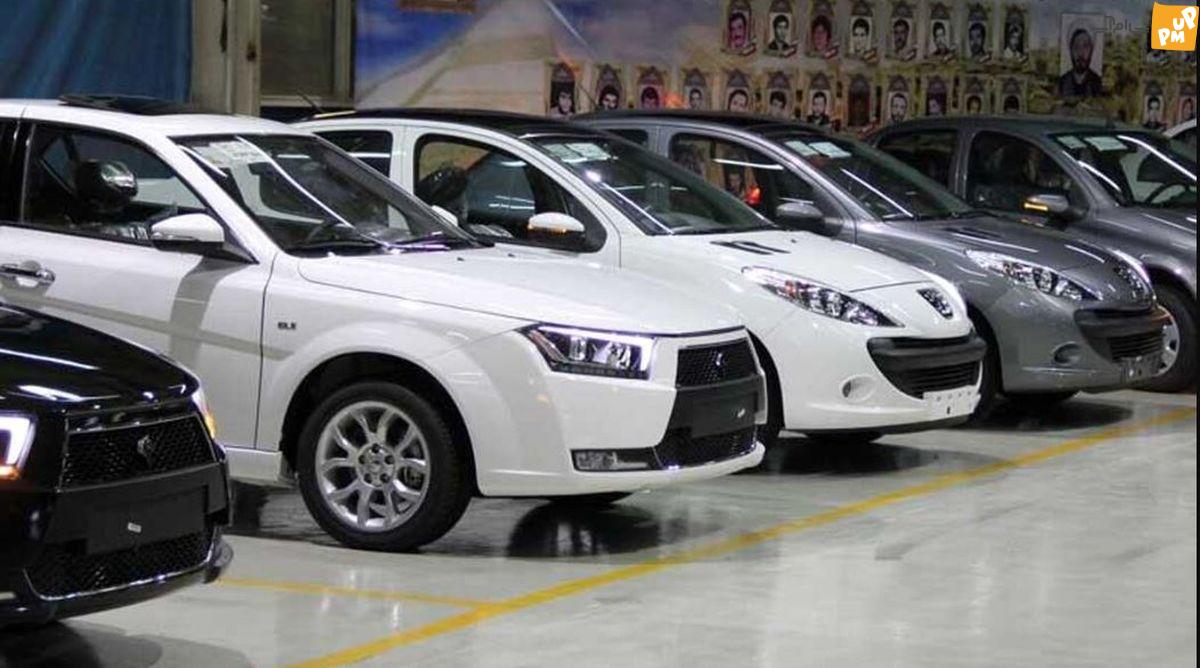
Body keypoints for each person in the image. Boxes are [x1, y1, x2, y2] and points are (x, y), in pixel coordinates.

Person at [1059, 28, 1102, 98]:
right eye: (1076, 47)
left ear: (1091, 50)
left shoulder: (1097, 82)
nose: (1080, 53)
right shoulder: (1062, 81)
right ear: (1071, 51)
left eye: (1085, 46)